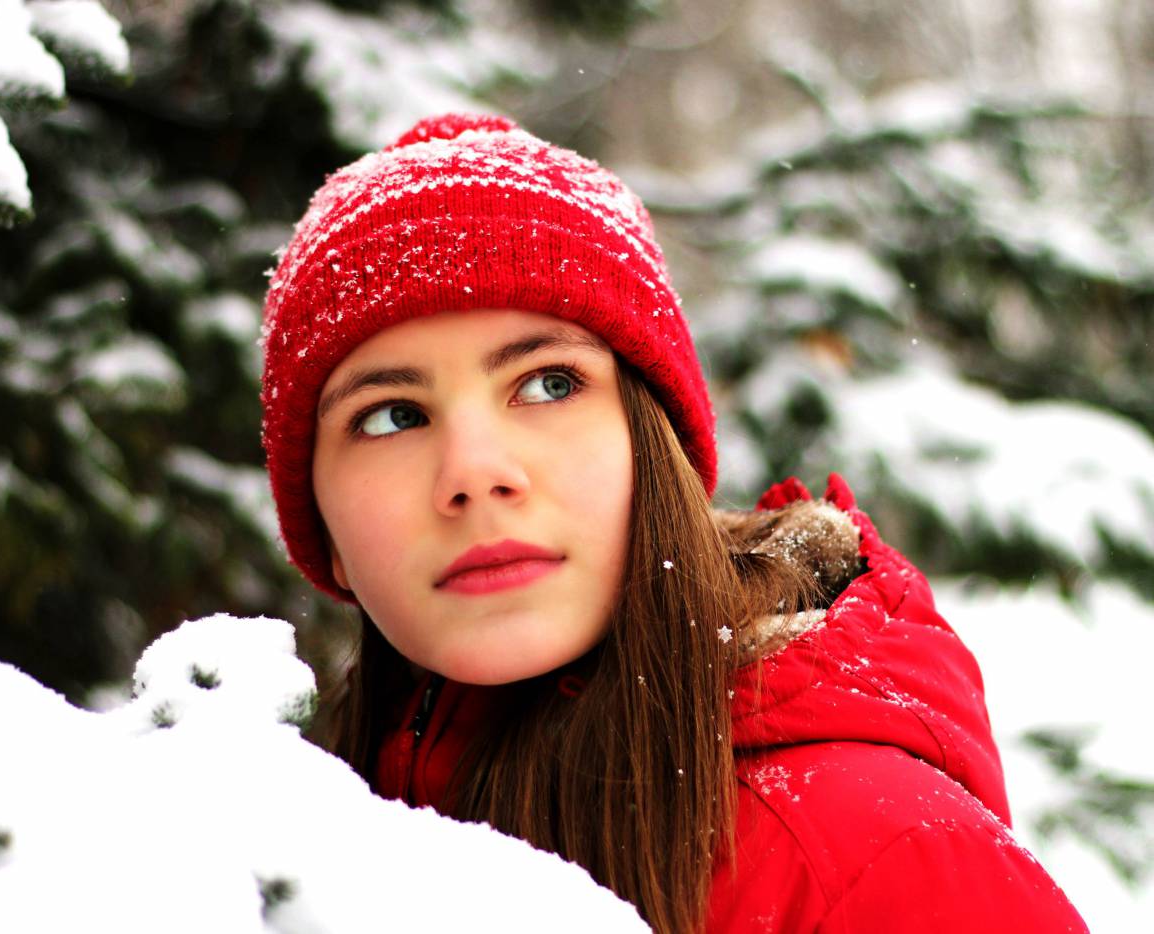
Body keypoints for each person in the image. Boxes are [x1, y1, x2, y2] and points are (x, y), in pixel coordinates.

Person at [259, 113, 1086, 932]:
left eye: (548, 384)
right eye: (393, 415)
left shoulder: (878, 862)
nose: (475, 474)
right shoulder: (269, 848)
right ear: (321, 526)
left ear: (656, 450)